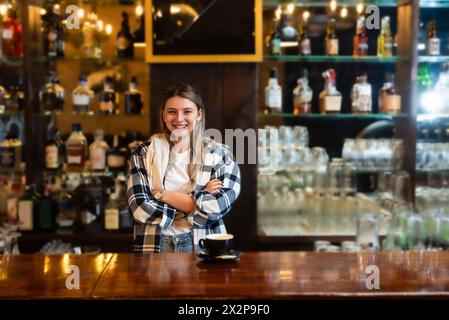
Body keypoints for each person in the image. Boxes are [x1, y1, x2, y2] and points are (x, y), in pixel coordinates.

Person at [127, 84, 241, 252]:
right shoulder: (144, 153)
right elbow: (139, 208)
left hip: (201, 244)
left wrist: (162, 195)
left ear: (199, 115)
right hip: (155, 243)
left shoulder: (220, 154)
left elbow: (217, 207)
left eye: (187, 111)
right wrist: (200, 198)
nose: (179, 118)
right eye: (172, 111)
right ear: (163, 116)